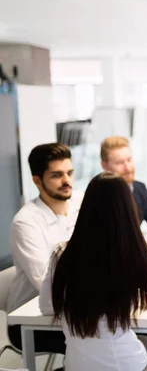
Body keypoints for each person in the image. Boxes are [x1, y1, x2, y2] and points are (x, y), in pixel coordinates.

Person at [39, 172, 147, 371]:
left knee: (144, 344)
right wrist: (144, 299)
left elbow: (47, 307)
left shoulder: (62, 254)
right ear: (127, 209)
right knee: (143, 347)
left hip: (76, 366)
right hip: (125, 365)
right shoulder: (134, 254)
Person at [8, 143, 84, 354]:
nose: (67, 181)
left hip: (77, 311)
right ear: (37, 181)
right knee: (113, 342)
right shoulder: (26, 222)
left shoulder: (81, 201)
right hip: (33, 322)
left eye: (69, 173)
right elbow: (46, 283)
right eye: (57, 175)